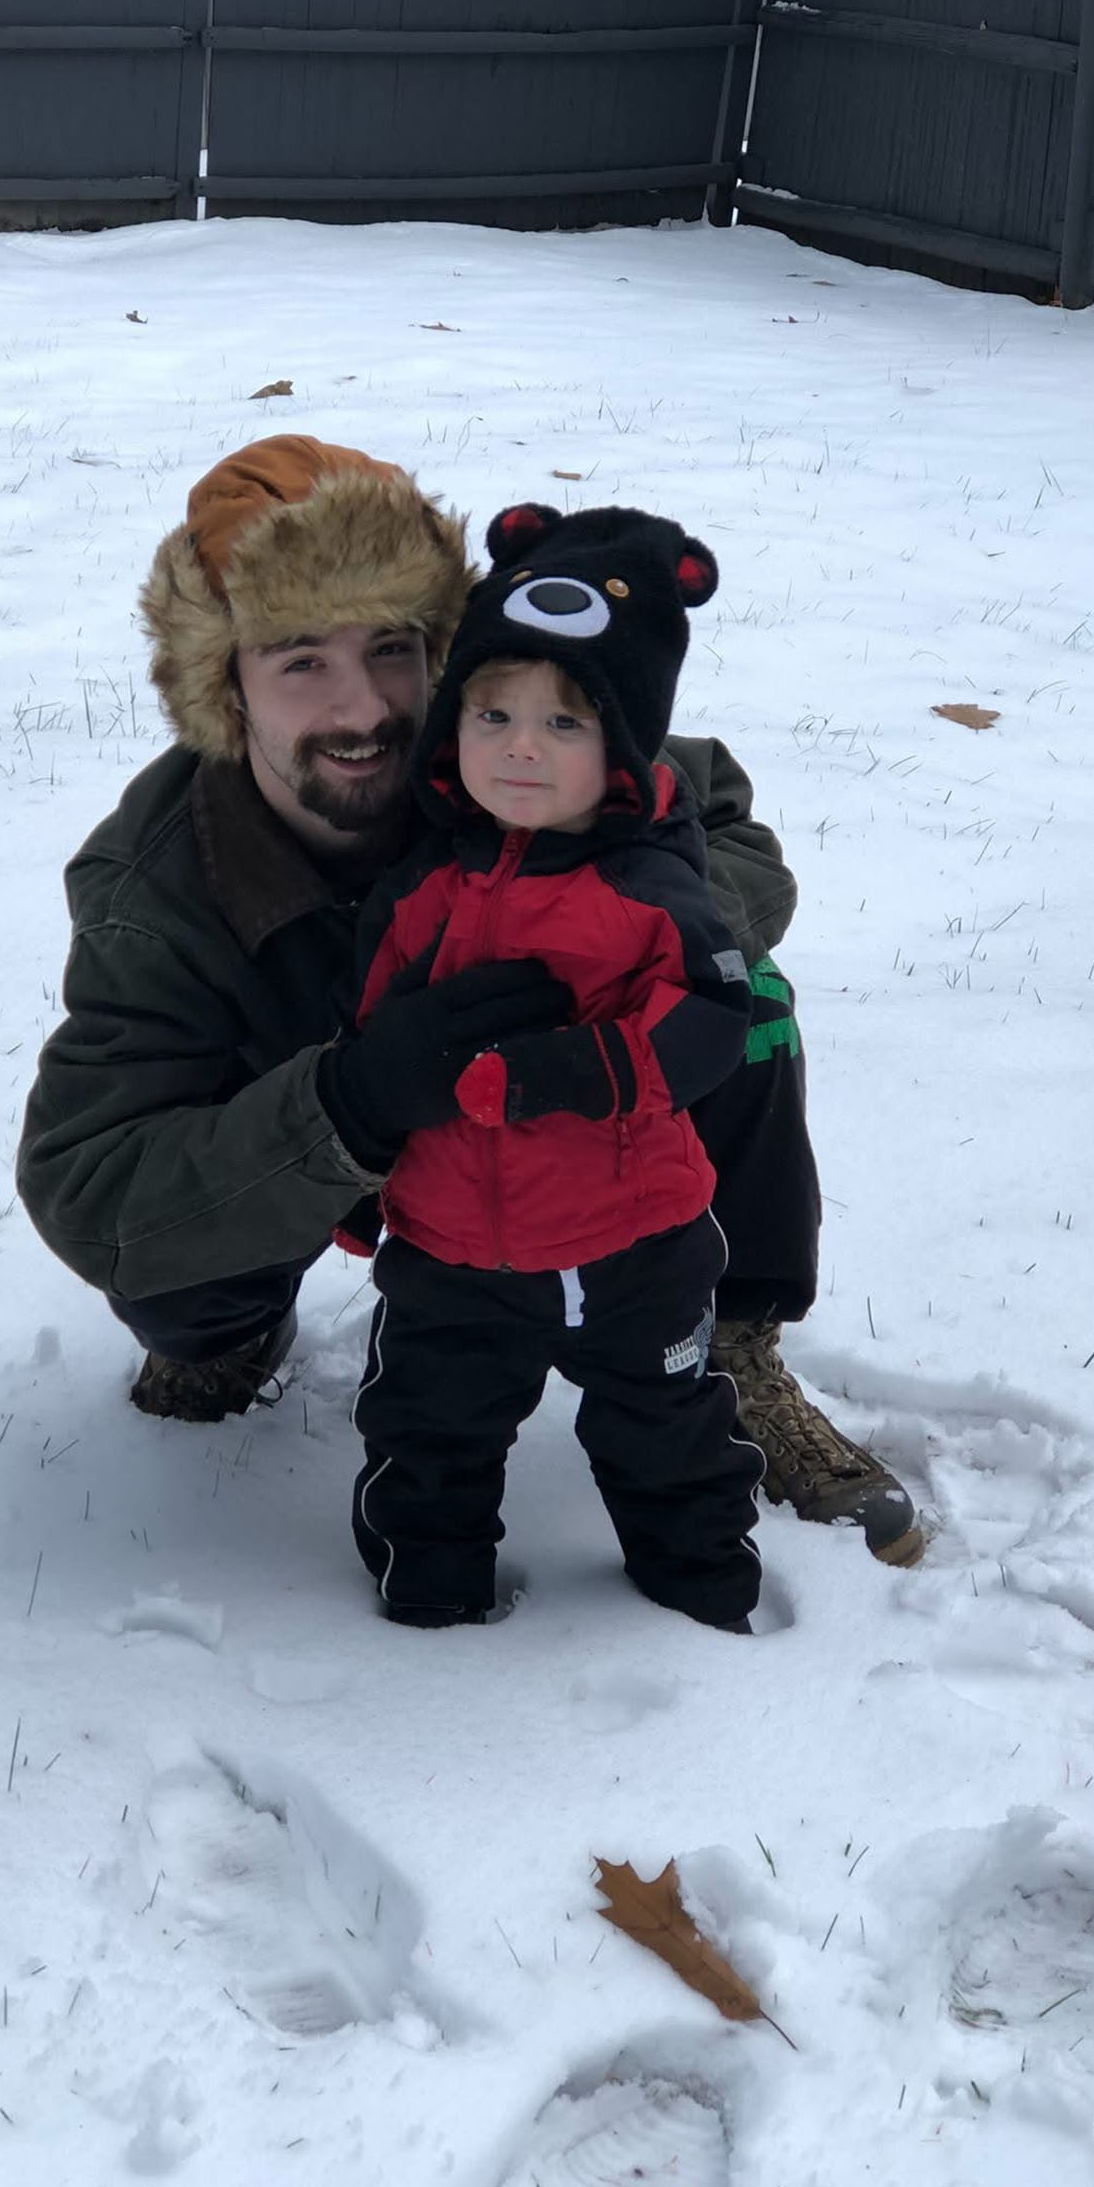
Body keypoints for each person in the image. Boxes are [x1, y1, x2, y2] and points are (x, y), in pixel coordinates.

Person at [15, 435, 923, 1568]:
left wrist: (616, 958)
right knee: (181, 1269)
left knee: (752, 1007)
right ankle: (230, 1338)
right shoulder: (161, 887)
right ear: (222, 684)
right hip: (319, 1146)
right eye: (300, 660)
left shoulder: (509, 750)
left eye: (393, 650)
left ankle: (725, 1337)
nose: (363, 709)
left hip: (556, 1120)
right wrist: (345, 1097)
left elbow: (725, 818)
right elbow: (87, 1182)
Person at [340, 502, 766, 1628]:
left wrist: (562, 1074)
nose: (520, 745)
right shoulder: (427, 881)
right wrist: (356, 1177)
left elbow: (713, 1016)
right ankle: (426, 1605)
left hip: (631, 1244)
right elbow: (373, 1034)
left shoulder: (648, 887)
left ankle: (703, 1588)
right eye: (492, 712)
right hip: (446, 1248)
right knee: (425, 1427)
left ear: (623, 747)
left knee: (664, 1423)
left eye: (565, 724)